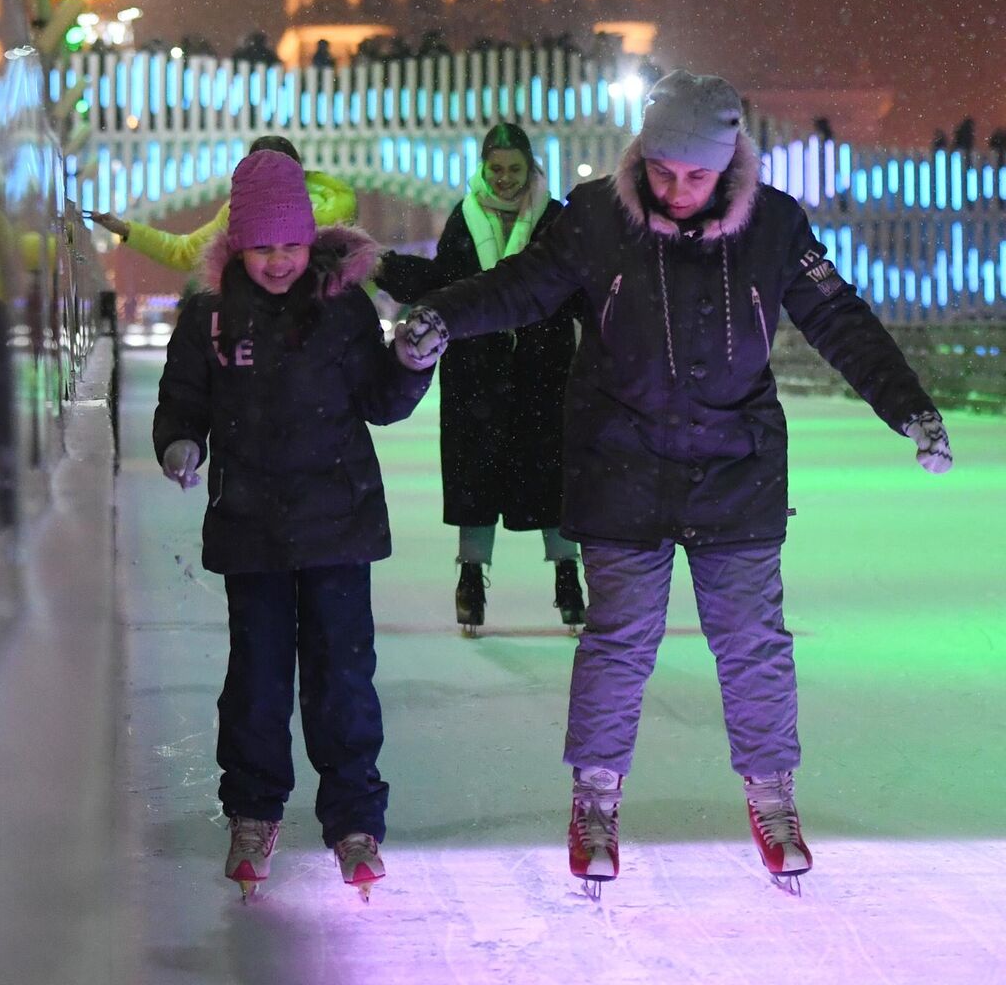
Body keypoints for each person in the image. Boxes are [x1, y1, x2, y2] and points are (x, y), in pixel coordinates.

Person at [394, 70, 953, 895]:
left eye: (696, 175)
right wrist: (446, 313)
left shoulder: (773, 225)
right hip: (622, 464)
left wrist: (908, 407)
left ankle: (772, 795)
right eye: (662, 171)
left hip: (737, 468)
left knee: (754, 644)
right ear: (642, 157)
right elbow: (523, 287)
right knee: (619, 643)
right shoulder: (597, 221)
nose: (677, 190)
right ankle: (594, 798)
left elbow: (840, 319)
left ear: (728, 163)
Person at [152, 149, 431, 899]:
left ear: (311, 240)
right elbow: (182, 402)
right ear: (239, 244)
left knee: (343, 676)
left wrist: (408, 361)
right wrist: (180, 443)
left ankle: (353, 819)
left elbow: (380, 399)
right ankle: (253, 809)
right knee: (258, 679)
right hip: (253, 529)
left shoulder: (341, 307)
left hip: (338, 522)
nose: (278, 262)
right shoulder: (210, 317)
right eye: (263, 246)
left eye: (291, 244)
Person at [375, 122, 584, 632]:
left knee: (551, 472)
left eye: (515, 170)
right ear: (484, 168)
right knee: (475, 472)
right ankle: (471, 578)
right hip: (476, 371)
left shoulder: (554, 220)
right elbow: (443, 282)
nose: (506, 179)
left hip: (543, 369)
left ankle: (567, 575)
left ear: (531, 168)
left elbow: (577, 285)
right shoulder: (463, 221)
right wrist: (384, 268)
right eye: (497, 169)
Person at [89, 135, 357, 274]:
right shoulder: (333, 208)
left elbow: (184, 253)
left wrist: (128, 230)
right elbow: (186, 252)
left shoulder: (241, 215)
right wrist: (127, 230)